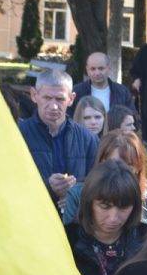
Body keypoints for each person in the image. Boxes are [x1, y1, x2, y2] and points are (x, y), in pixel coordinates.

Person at [19, 70, 99, 201]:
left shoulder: (88, 139)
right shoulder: (18, 135)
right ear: (34, 95)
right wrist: (47, 186)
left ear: (71, 99)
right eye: (47, 98)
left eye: (60, 99)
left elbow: (98, 184)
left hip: (74, 219)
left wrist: (75, 194)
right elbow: (9, 181)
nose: (54, 106)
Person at [64, 128, 147, 226]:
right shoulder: (77, 195)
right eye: (114, 164)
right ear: (100, 162)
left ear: (138, 167)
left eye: (128, 167)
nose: (120, 172)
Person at [75, 51, 136, 116]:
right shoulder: (78, 91)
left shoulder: (122, 91)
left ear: (109, 68)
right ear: (87, 70)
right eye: (93, 69)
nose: (97, 73)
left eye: (101, 68)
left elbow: (132, 116)